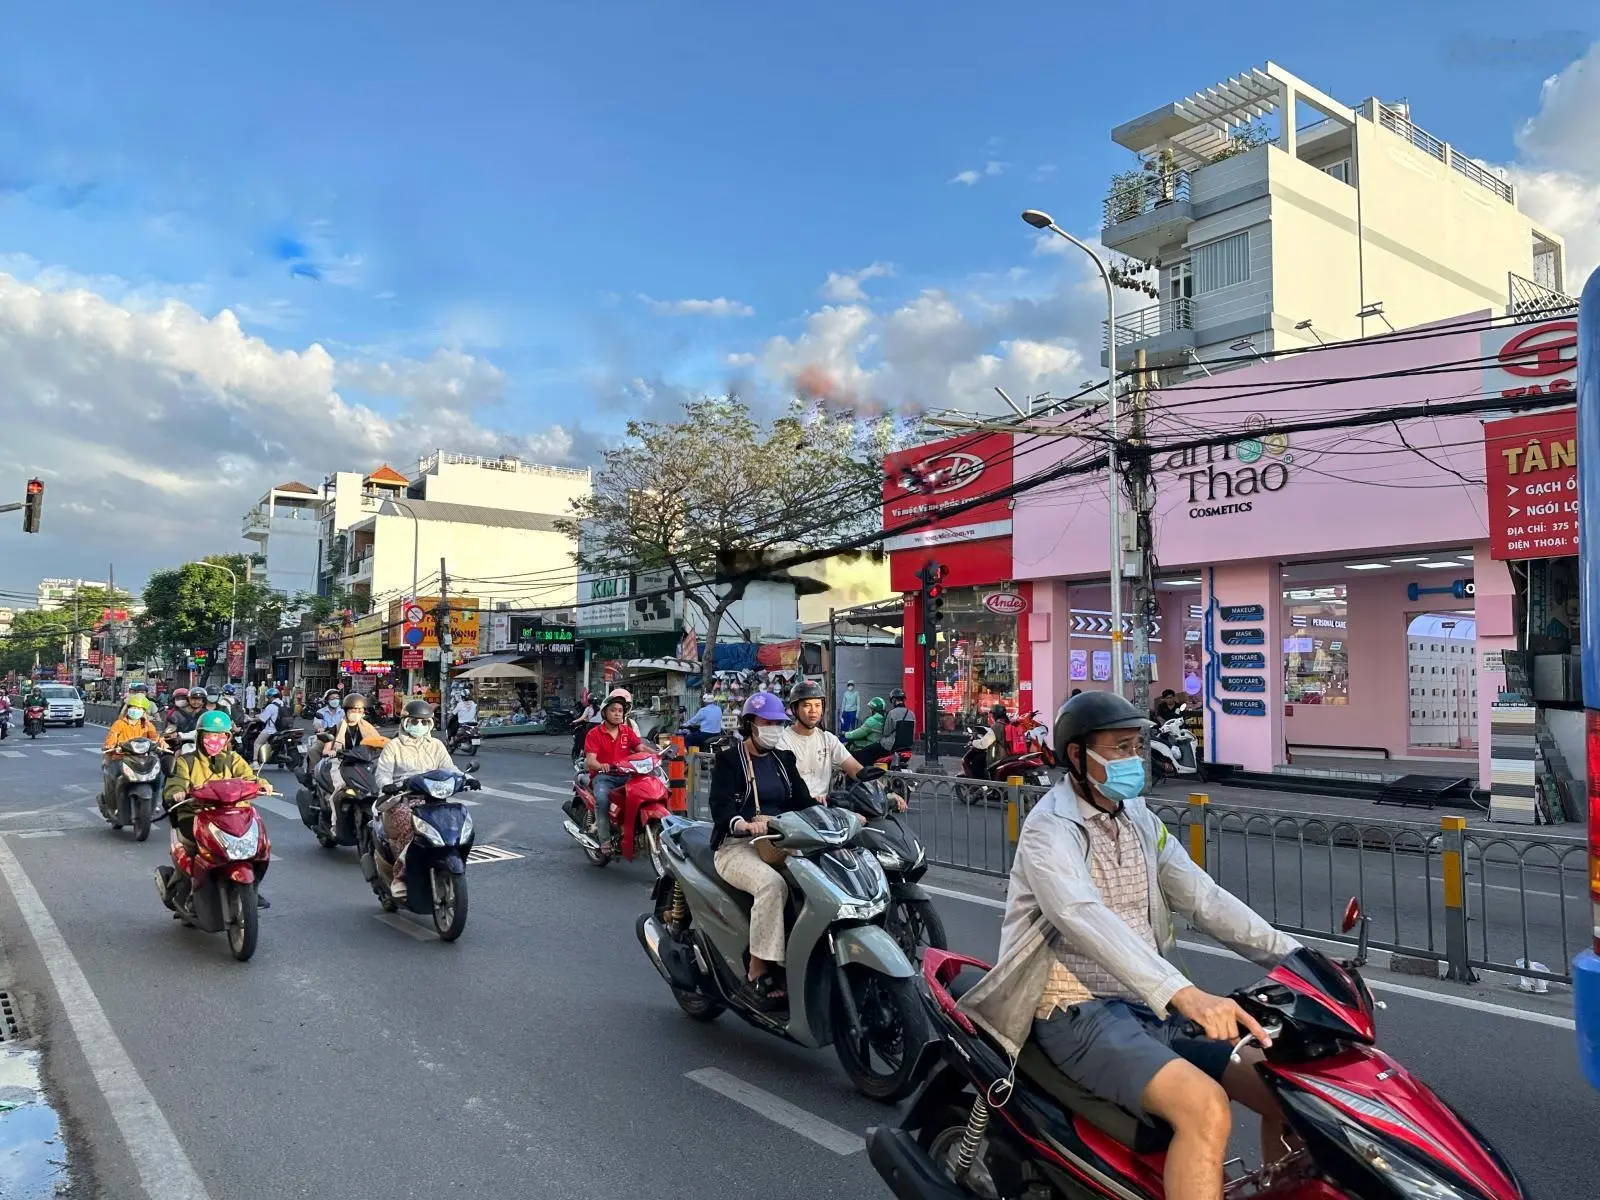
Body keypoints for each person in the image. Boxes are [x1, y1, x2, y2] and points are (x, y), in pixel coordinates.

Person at [957, 692, 1299, 1200]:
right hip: (1075, 1010)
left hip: (1146, 1005)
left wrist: (1295, 958)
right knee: (1204, 1108)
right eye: (1119, 748)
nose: (1133, 760)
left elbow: (1202, 897)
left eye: (1137, 746)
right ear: (1077, 757)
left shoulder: (1137, 817)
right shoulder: (1050, 830)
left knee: (1288, 1089)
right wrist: (1185, 994)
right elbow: (1081, 915)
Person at [707, 692, 814, 1006]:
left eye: (779, 723)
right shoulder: (730, 760)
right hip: (737, 846)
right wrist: (743, 824)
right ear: (750, 724)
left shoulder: (784, 761)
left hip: (781, 842)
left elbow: (804, 803)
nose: (775, 728)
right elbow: (721, 810)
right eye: (768, 722)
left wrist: (845, 811)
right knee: (772, 885)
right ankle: (757, 967)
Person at [161, 709, 269, 908]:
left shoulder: (233, 759)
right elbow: (176, 782)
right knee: (196, 850)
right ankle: (192, 889)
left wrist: (261, 783)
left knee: (260, 848)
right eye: (210, 734)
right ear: (200, 736)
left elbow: (248, 776)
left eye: (220, 735)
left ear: (227, 737)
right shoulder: (187, 761)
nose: (215, 740)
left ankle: (252, 889)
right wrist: (177, 791)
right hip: (196, 814)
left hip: (232, 814)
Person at [373, 700, 455, 902]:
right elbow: (382, 774)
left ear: (430, 724)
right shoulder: (394, 747)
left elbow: (450, 769)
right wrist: (388, 785)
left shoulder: (436, 745)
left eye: (424, 722)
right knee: (409, 825)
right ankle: (400, 876)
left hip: (433, 798)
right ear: (404, 722)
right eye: (414, 721)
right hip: (402, 799)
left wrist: (468, 779)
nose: (419, 726)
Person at [778, 680, 862, 802]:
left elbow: (857, 770)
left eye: (817, 705)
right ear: (795, 709)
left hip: (824, 808)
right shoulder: (783, 741)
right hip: (794, 810)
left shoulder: (828, 739)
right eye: (807, 705)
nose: (813, 710)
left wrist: (886, 793)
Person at [581, 690, 642, 849]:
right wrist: (601, 766)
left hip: (626, 775)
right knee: (602, 800)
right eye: (613, 710)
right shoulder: (594, 734)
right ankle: (605, 840)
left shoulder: (627, 731)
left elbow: (640, 747)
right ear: (604, 713)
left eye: (620, 711)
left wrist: (658, 754)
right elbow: (591, 761)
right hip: (603, 777)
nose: (617, 714)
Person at [842, 696, 886, 762]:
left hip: (871, 747)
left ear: (873, 709)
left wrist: (845, 734)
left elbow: (857, 733)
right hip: (879, 747)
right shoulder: (884, 719)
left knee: (852, 750)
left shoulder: (872, 720)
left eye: (870, 708)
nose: (870, 710)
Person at [253, 687, 284, 767]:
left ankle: (255, 762)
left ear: (271, 697)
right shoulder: (283, 704)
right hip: (283, 729)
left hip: (271, 729)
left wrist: (252, 718)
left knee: (257, 743)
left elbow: (262, 719)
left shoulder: (271, 706)